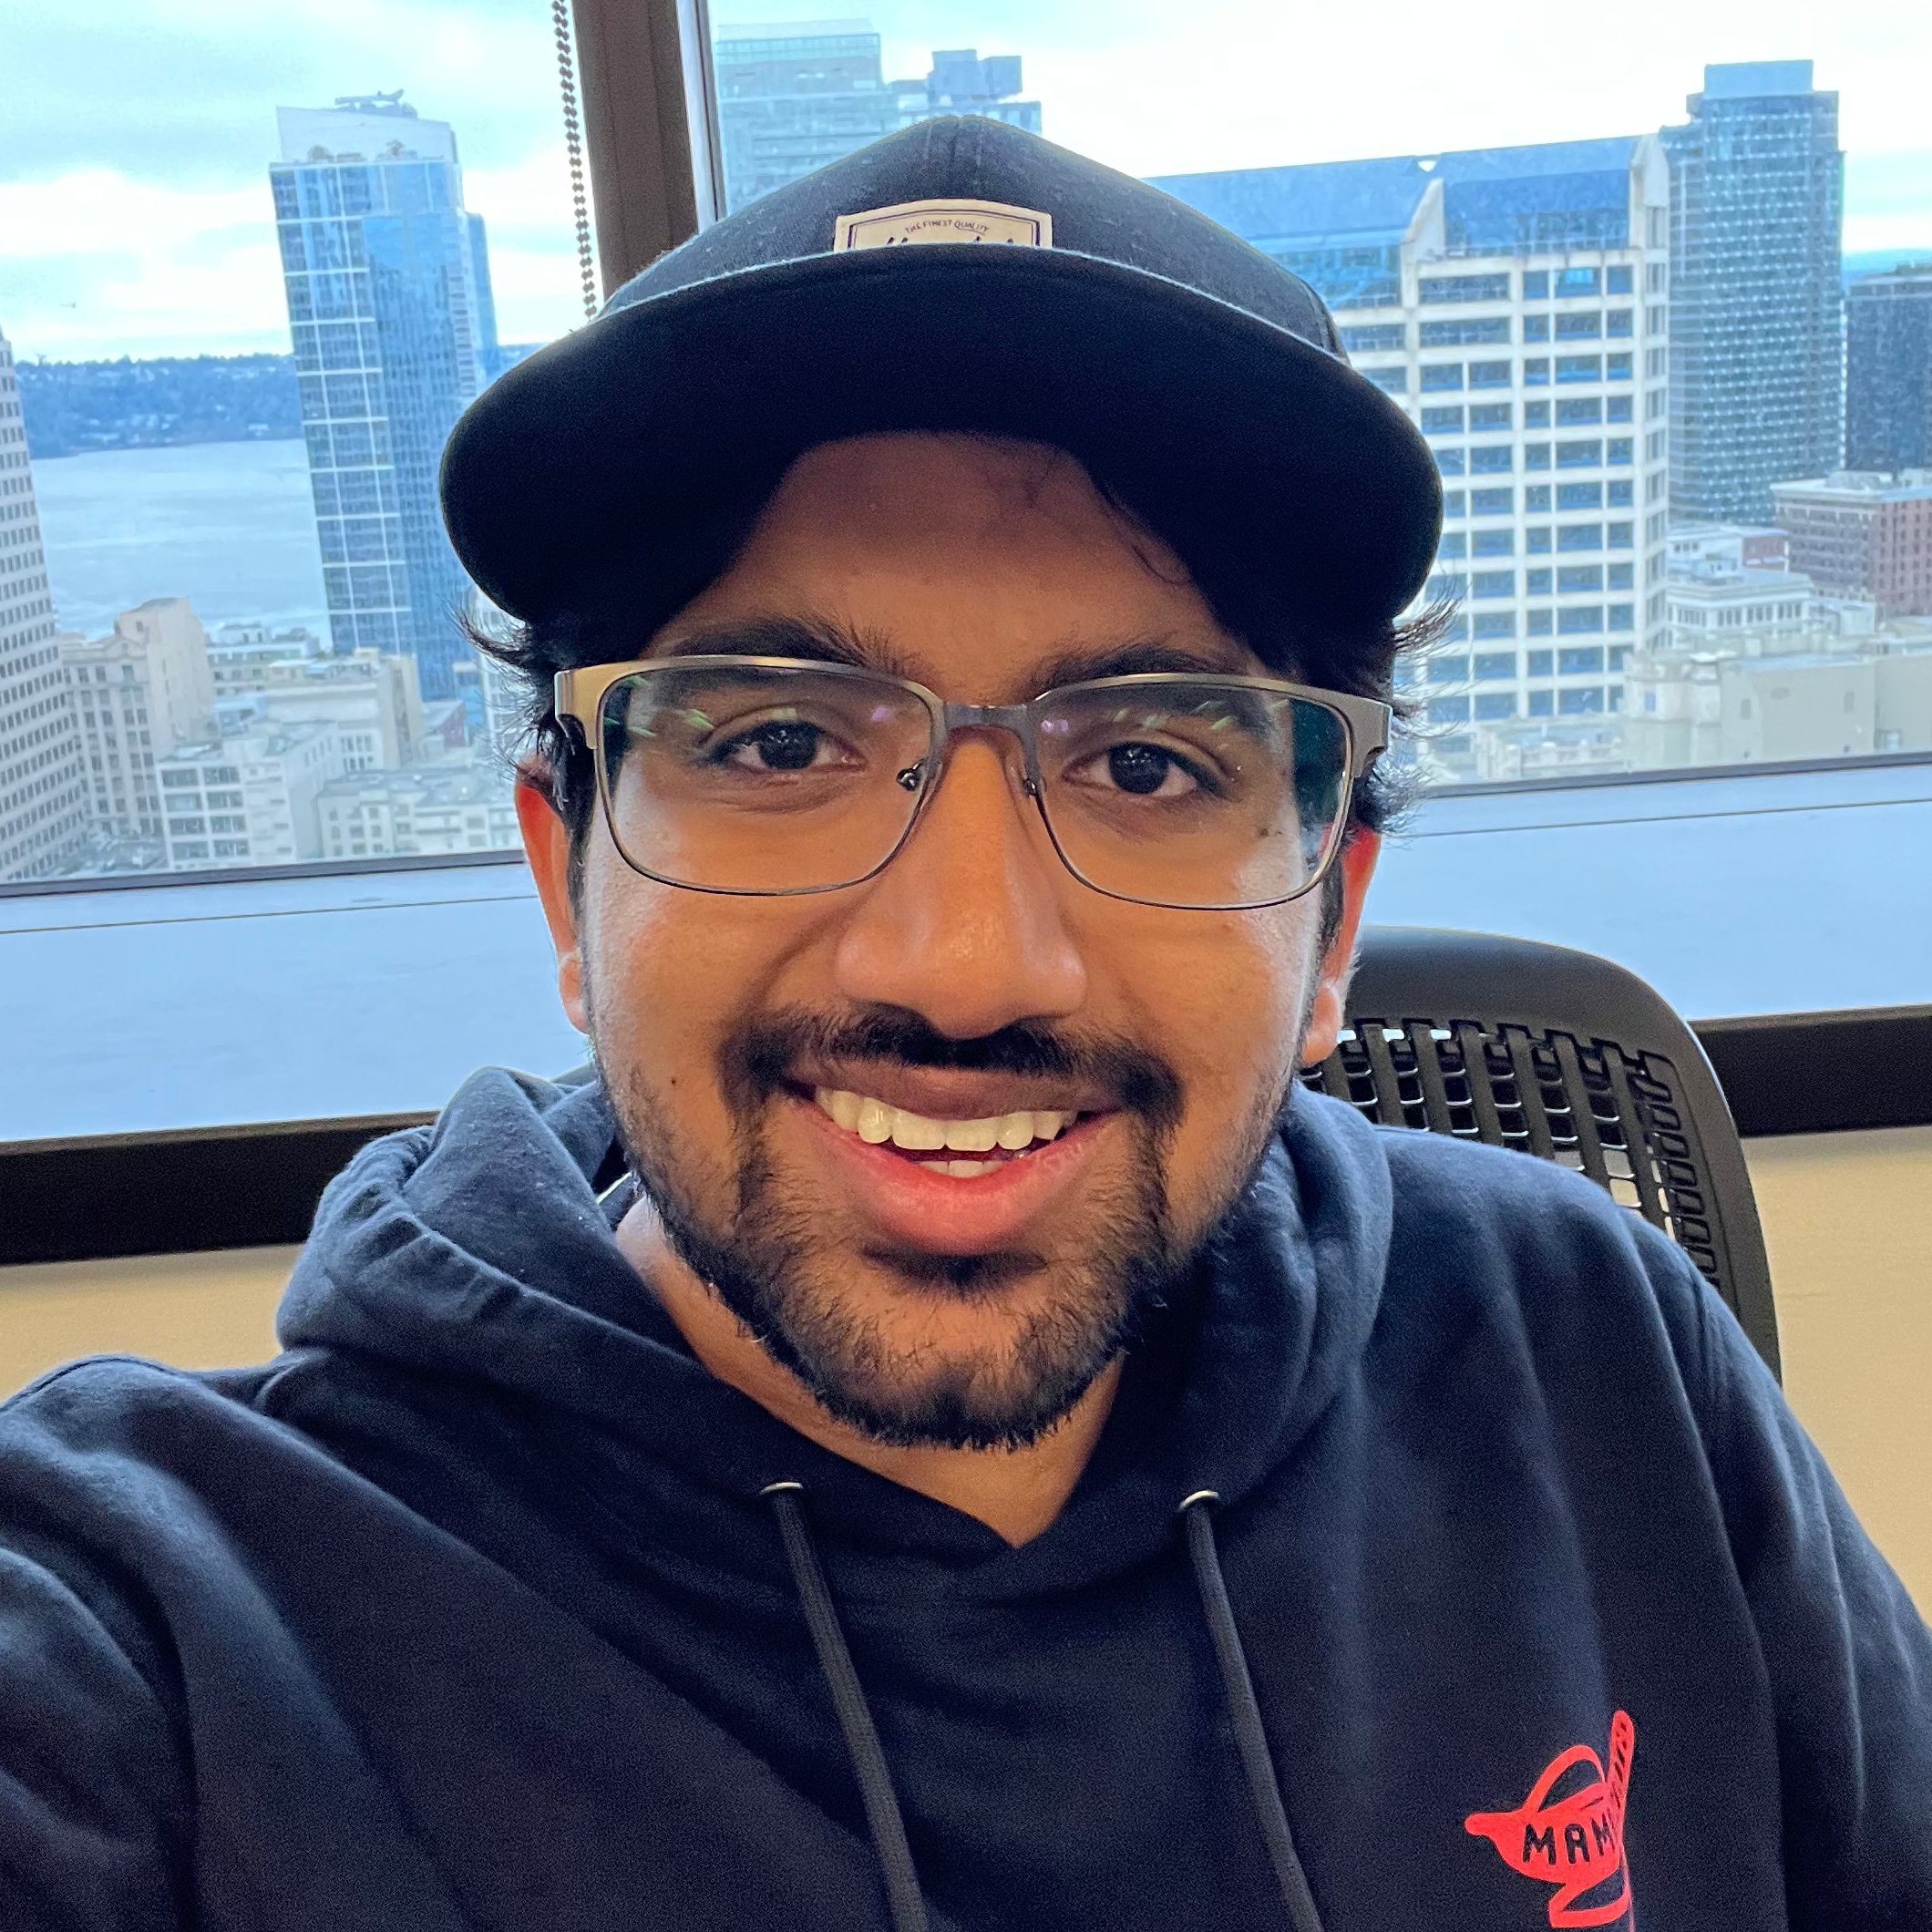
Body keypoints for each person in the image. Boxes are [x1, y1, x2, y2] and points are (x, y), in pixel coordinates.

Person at [1, 118, 1926, 1932]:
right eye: (776, 741)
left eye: (1152, 761)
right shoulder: (161, 1634)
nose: (965, 964)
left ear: (1329, 918)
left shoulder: (1594, 1352)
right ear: (561, 886)